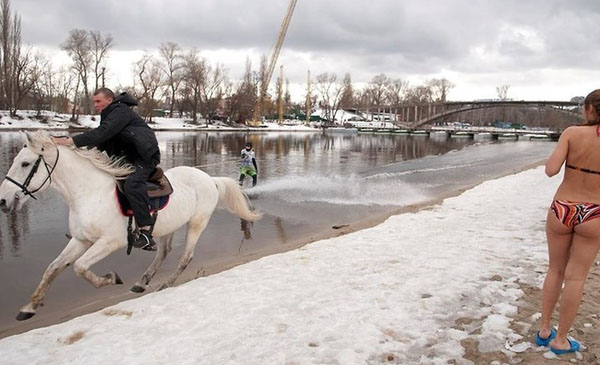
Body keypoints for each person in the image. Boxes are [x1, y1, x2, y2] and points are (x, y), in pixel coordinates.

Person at [53, 88, 161, 251]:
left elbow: (102, 134)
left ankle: (146, 233)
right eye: (94, 101)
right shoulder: (110, 115)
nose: (95, 105)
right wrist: (78, 152)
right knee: (99, 179)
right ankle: (96, 228)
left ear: (109, 100)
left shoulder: (120, 111)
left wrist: (70, 141)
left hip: (143, 157)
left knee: (132, 184)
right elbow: (102, 141)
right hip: (127, 157)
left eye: (98, 101)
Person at [537, 89, 600, 355]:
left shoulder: (572, 133)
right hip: (594, 212)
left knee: (555, 270)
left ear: (588, 109)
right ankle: (561, 340)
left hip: (563, 208)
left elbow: (551, 170)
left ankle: (543, 329)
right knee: (576, 279)